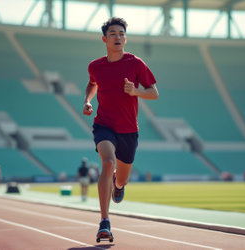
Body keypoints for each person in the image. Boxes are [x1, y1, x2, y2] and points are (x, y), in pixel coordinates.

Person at [83, 17, 159, 241]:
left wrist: (136, 92)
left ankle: (118, 184)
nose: (118, 37)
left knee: (122, 179)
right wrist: (87, 100)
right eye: (113, 34)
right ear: (104, 39)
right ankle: (104, 222)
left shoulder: (135, 63)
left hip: (128, 130)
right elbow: (92, 82)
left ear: (125, 38)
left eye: (121, 34)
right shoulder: (95, 66)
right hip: (104, 125)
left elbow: (153, 92)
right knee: (107, 162)